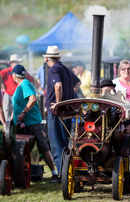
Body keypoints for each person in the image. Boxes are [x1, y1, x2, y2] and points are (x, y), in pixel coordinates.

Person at [9, 64, 59, 183]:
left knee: (43, 147)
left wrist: (23, 113)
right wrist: (11, 121)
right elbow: (16, 107)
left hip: (31, 123)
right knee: (15, 147)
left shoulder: (25, 84)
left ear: (15, 76)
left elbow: (33, 99)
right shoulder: (20, 86)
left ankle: (54, 173)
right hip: (20, 123)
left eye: (13, 75)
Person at [43, 46, 81, 175]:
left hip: (57, 112)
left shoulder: (54, 69)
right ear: (59, 57)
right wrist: (69, 94)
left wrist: (59, 103)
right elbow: (78, 83)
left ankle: (61, 174)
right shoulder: (65, 68)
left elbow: (58, 85)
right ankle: (66, 171)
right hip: (68, 111)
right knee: (64, 143)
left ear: (47, 59)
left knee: (56, 143)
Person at [0, 54, 43, 121]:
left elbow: (32, 80)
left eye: (17, 62)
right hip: (8, 94)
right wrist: (2, 85)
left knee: (16, 109)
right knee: (6, 110)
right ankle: (8, 126)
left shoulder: (24, 80)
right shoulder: (6, 71)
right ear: (11, 63)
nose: (16, 63)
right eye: (14, 62)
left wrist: (41, 89)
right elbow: (0, 76)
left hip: (19, 95)